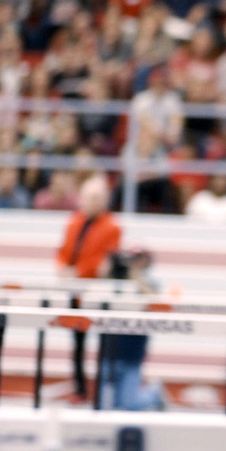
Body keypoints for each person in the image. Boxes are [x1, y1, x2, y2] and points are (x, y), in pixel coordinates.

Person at [56, 176, 120, 401]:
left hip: (97, 293)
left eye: (98, 197)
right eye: (90, 197)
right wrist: (63, 268)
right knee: (77, 341)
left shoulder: (112, 226)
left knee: (104, 342)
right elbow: (63, 251)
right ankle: (80, 388)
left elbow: (103, 261)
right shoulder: (73, 222)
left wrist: (78, 272)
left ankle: (104, 389)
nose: (93, 202)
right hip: (75, 291)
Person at [99, 248, 165, 411]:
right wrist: (108, 271)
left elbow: (154, 301)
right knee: (105, 404)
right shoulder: (114, 282)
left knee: (129, 404)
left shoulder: (150, 283)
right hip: (110, 347)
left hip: (132, 351)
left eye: (138, 259)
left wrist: (135, 277)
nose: (133, 263)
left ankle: (154, 393)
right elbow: (97, 290)